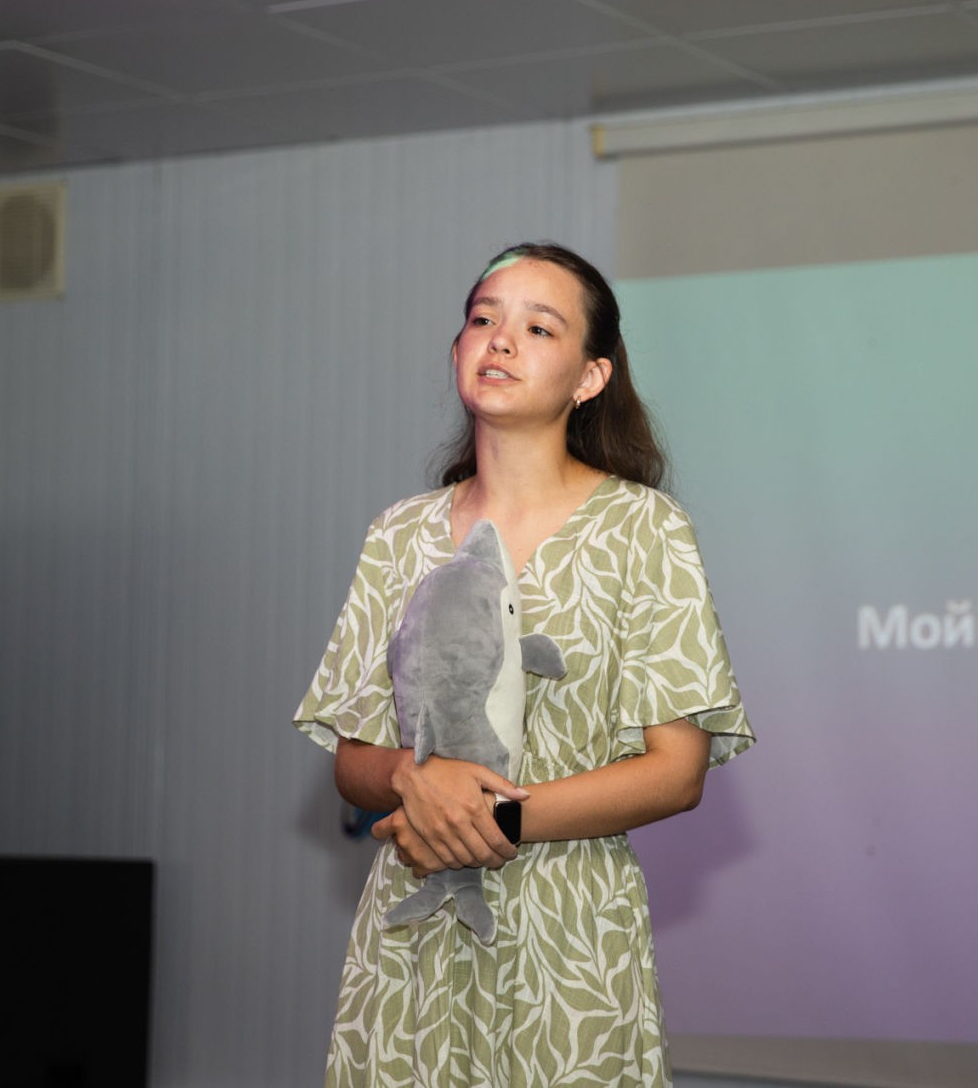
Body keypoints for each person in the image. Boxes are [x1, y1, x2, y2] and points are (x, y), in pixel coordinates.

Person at [295, 242, 754, 1087]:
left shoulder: (645, 529)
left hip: (570, 927)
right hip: (413, 929)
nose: (499, 339)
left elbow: (676, 771)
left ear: (590, 376)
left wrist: (487, 819)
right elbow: (351, 758)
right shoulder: (398, 532)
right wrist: (412, 779)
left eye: (539, 327)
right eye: (483, 319)